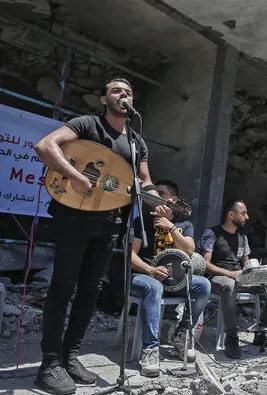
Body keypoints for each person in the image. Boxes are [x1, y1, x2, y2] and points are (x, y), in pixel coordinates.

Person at [33, 78, 162, 394]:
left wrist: (158, 199)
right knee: (63, 287)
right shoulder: (87, 124)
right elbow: (45, 146)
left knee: (90, 292)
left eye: (128, 92)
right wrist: (75, 175)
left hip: (110, 223)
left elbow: (144, 181)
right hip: (73, 218)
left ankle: (70, 356)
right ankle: (49, 363)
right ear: (104, 99)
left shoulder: (135, 141)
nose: (123, 95)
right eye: (117, 90)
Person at [130, 180, 211, 377]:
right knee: (154, 288)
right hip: (144, 277)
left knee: (203, 285)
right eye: (152, 193)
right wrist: (150, 270)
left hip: (175, 281)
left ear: (172, 199)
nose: (154, 196)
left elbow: (190, 251)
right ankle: (150, 349)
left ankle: (181, 334)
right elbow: (129, 256)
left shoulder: (184, 224)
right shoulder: (142, 221)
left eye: (160, 193)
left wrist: (170, 228)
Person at [198, 199, 267, 359]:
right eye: (243, 213)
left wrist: (257, 271)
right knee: (229, 285)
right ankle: (231, 337)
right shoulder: (212, 233)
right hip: (218, 277)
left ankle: (262, 331)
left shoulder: (243, 237)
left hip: (240, 277)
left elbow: (246, 263)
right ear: (231, 214)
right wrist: (229, 273)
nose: (247, 217)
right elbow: (204, 264)